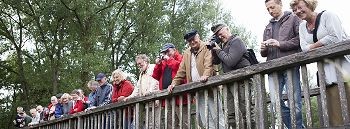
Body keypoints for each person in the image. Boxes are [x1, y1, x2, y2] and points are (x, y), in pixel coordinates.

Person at [290, 0, 350, 126]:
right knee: (336, 117)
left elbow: (335, 38)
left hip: (345, 69)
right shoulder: (302, 27)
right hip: (327, 76)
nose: (297, 11)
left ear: (309, 4)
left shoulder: (328, 16)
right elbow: (303, 48)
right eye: (294, 10)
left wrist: (312, 46)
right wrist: (320, 44)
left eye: (300, 7)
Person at [168, 30, 224, 129]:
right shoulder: (186, 53)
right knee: (205, 119)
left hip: (210, 87)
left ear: (198, 37)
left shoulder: (206, 46)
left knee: (217, 116)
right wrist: (173, 83)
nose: (192, 42)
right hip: (197, 90)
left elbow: (209, 64)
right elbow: (181, 71)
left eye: (193, 39)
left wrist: (206, 75)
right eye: (189, 41)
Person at [261, 0, 304, 128]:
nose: (270, 11)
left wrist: (280, 44)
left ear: (280, 4)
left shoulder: (294, 18)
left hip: (290, 64)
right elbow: (264, 54)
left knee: (295, 102)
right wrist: (263, 49)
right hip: (272, 67)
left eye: (272, 7)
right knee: (275, 103)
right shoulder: (267, 26)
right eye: (267, 9)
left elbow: (300, 38)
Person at [210, 23, 253, 128]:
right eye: (217, 36)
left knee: (247, 111)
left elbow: (230, 61)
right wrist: (213, 49)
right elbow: (216, 62)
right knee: (230, 114)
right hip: (229, 82)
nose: (220, 37)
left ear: (227, 29)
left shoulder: (236, 41)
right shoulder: (223, 45)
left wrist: (219, 50)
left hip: (243, 80)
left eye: (221, 33)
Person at [152, 43, 189, 129]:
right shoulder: (164, 62)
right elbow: (156, 76)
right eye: (164, 52)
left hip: (180, 95)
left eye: (167, 51)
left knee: (184, 122)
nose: (166, 54)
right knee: (170, 123)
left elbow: (181, 70)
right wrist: (158, 64)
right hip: (167, 96)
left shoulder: (181, 57)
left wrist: (169, 60)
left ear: (174, 49)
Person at [125, 54, 159, 129]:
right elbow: (137, 87)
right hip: (145, 101)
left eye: (140, 63)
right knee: (146, 124)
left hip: (154, 99)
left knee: (154, 124)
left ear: (145, 61)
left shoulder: (153, 67)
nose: (139, 65)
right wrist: (130, 97)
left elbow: (155, 81)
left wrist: (149, 91)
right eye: (137, 64)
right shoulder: (141, 74)